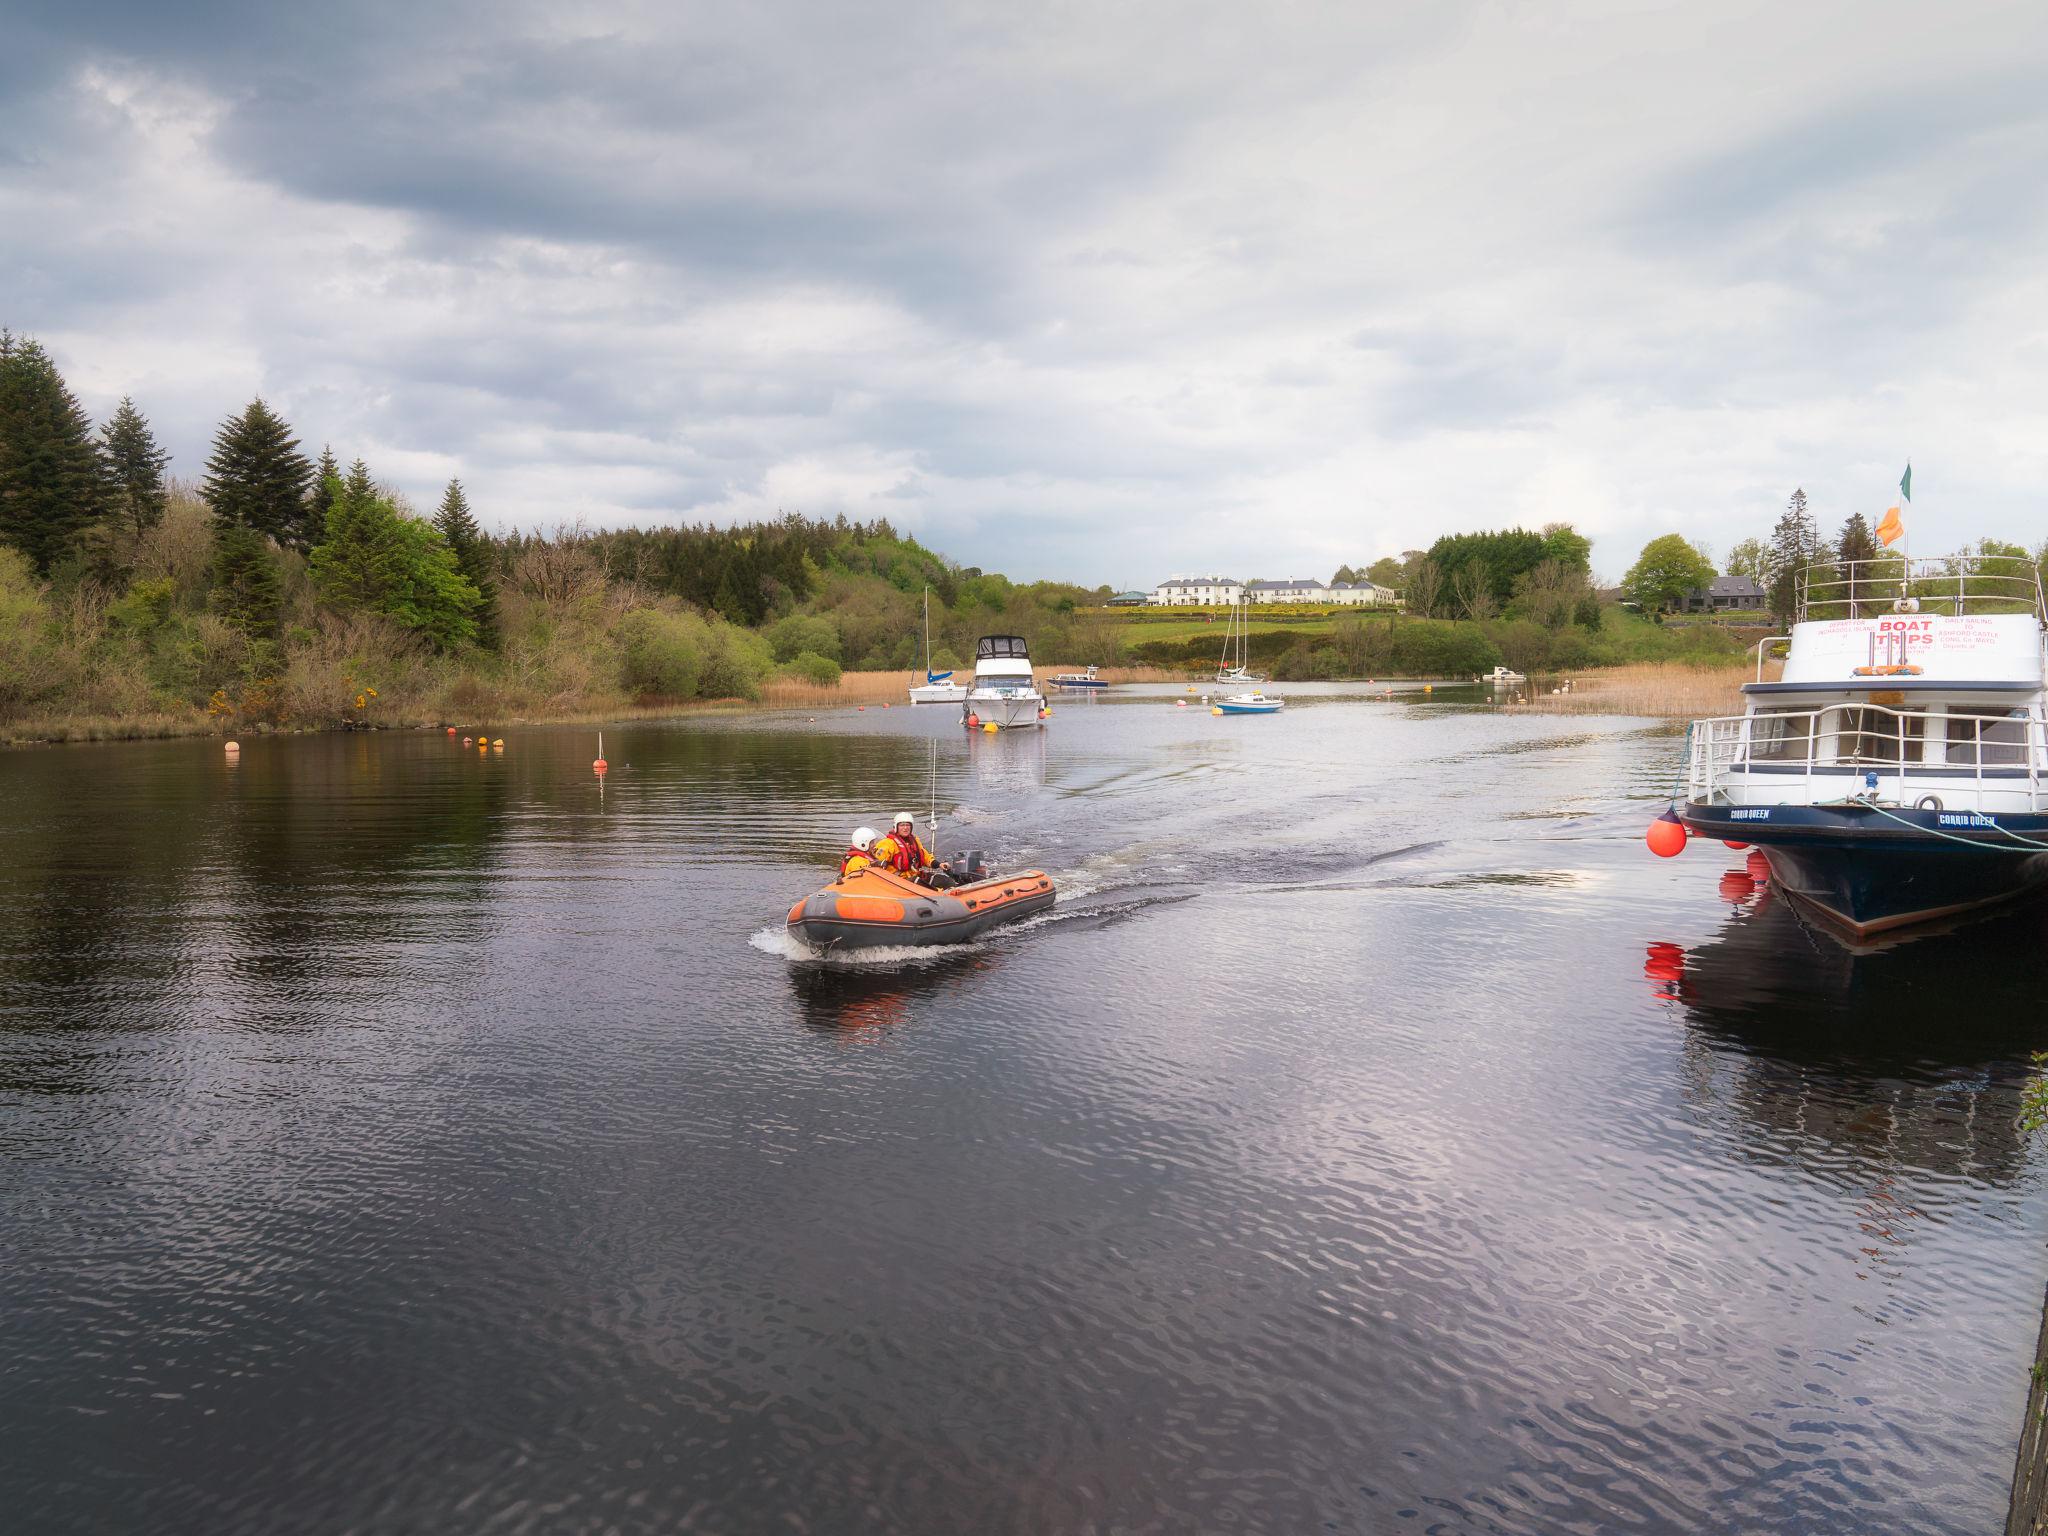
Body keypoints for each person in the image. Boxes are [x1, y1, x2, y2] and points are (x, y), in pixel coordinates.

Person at [873, 812, 954, 888]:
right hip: (899, 881)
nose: (905, 828)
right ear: (896, 827)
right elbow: (875, 863)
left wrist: (939, 864)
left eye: (908, 825)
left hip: (916, 875)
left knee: (946, 881)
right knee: (929, 888)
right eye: (902, 825)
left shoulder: (915, 840)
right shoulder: (887, 844)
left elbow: (925, 856)